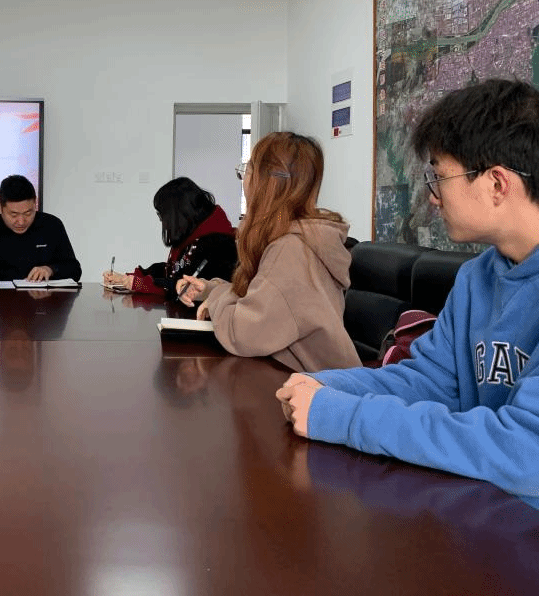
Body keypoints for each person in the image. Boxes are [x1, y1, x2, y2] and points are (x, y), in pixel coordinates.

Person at [277, 78, 539, 499]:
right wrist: (325, 387)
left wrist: (344, 417)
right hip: (480, 507)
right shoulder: (476, 278)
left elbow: (526, 451)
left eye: (439, 176)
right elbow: (430, 381)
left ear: (496, 184)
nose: (433, 196)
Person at [177, 132, 360, 373]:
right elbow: (262, 299)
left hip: (320, 390)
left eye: (248, 170)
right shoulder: (293, 238)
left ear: (267, 183)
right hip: (300, 379)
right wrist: (211, 289)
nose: (244, 180)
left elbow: (243, 333)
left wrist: (216, 299)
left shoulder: (291, 249)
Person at [102, 177, 237, 298]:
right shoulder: (193, 237)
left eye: (162, 215)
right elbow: (172, 271)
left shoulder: (218, 244)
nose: (162, 220)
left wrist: (143, 284)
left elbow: (186, 287)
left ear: (177, 214)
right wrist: (128, 278)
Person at [0, 174, 82, 284]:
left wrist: (50, 269)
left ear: (35, 204)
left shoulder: (52, 225)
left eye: (28, 213)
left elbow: (74, 270)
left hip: (40, 303)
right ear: (0, 207)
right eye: (13, 215)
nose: (21, 221)